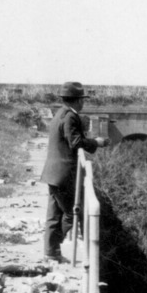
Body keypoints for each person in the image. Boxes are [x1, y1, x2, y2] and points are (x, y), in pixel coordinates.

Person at [42, 81, 102, 261]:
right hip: (64, 174)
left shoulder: (60, 113)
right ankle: (55, 247)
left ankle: (51, 251)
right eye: (82, 100)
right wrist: (96, 143)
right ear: (77, 101)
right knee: (72, 212)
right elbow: (75, 142)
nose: (83, 103)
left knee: (54, 214)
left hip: (52, 173)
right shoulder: (71, 116)